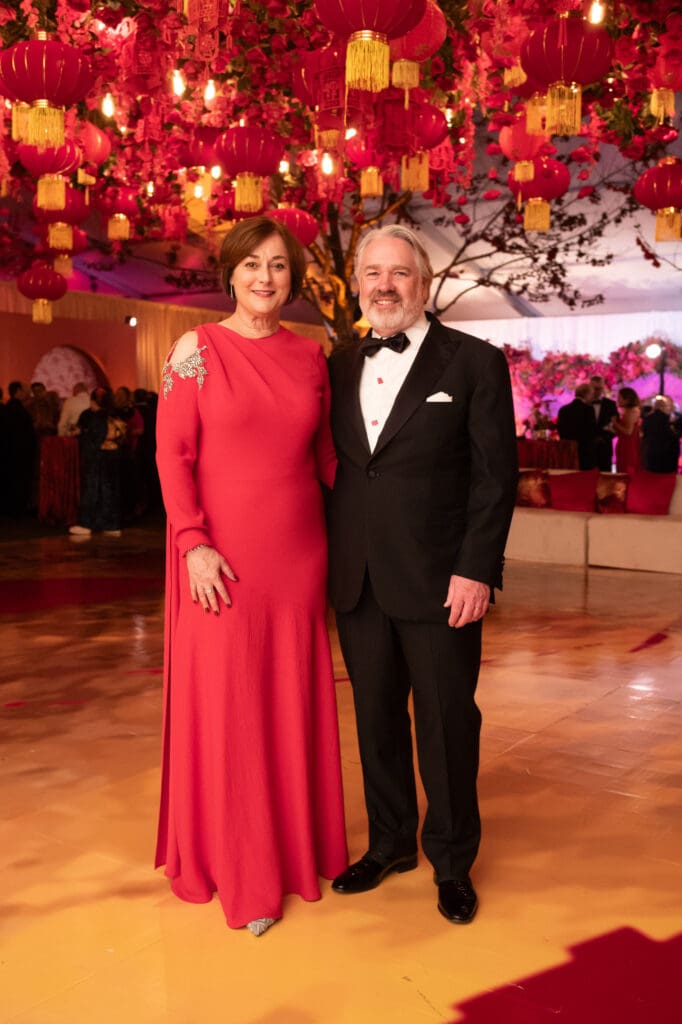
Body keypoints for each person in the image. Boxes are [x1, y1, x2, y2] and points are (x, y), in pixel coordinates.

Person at [154, 215, 347, 936]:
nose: (266, 278)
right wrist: (193, 543)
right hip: (221, 560)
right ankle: (245, 869)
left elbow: (329, 461)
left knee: (288, 699)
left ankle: (299, 851)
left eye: (278, 266)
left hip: (299, 557)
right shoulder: (193, 351)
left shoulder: (310, 357)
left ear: (293, 278)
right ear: (229, 273)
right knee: (232, 706)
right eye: (253, 265)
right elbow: (172, 458)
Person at [326, 224, 518, 924]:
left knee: (445, 723)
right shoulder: (339, 363)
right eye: (372, 272)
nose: (385, 285)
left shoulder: (473, 362)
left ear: (424, 282)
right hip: (358, 577)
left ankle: (452, 860)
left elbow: (496, 480)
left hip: (442, 582)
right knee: (375, 719)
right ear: (357, 283)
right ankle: (389, 843)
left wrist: (477, 570)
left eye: (399, 273)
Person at [68, 387, 125, 538]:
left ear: (94, 401)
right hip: (113, 456)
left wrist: (82, 435)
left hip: (98, 458)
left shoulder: (97, 417)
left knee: (93, 490)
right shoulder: (114, 414)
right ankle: (111, 524)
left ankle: (87, 523)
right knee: (111, 490)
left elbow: (94, 440)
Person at [556, 382, 598, 469]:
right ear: (586, 394)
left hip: (568, 449)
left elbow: (560, 429)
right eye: (591, 394)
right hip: (585, 450)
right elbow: (591, 430)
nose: (592, 397)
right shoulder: (588, 409)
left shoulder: (563, 410)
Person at [641, 395, 679, 473]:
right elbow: (670, 435)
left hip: (651, 449)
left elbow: (644, 432)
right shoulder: (666, 419)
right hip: (665, 452)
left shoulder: (648, 418)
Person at [589, 375, 618, 471]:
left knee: (605, 474)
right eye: (594, 388)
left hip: (605, 445)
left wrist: (604, 438)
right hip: (588, 446)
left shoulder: (610, 404)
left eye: (599, 388)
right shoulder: (584, 403)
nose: (596, 391)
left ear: (603, 388)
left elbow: (615, 425)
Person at [612, 386, 641, 475]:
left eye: (620, 398)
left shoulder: (631, 411)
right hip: (625, 444)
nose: (618, 400)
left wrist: (615, 423)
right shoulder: (628, 411)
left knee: (626, 470)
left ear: (627, 399)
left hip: (627, 446)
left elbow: (628, 431)